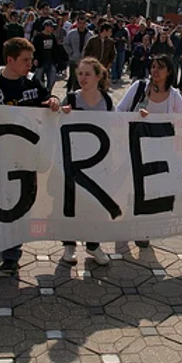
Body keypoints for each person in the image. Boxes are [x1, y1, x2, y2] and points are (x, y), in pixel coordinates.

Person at [0, 37, 60, 276]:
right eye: (25, 60)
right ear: (10, 60)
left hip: (23, 157)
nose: (31, 64)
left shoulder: (31, 83)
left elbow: (49, 100)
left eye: (31, 59)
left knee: (17, 205)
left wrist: (54, 101)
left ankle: (11, 256)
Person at [117, 54, 182, 248]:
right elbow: (119, 111)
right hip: (132, 150)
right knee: (130, 190)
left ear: (169, 72)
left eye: (161, 67)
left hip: (159, 155)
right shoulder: (139, 88)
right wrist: (136, 117)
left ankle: (144, 231)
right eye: (154, 66)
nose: (155, 71)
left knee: (153, 192)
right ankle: (124, 227)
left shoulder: (174, 96)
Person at [60, 57, 115, 265]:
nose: (83, 78)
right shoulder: (71, 99)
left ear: (98, 76)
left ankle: (93, 245)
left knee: (95, 203)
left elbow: (115, 126)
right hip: (73, 161)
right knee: (70, 203)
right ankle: (69, 245)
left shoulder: (107, 101)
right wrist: (59, 113)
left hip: (98, 163)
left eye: (87, 74)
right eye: (80, 73)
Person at [63, 14, 93, 91]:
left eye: (83, 23)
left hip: (85, 61)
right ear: (77, 23)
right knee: (73, 78)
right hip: (74, 59)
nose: (81, 25)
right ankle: (70, 93)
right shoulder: (71, 33)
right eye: (80, 23)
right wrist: (71, 52)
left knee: (82, 79)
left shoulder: (90, 35)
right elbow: (66, 43)